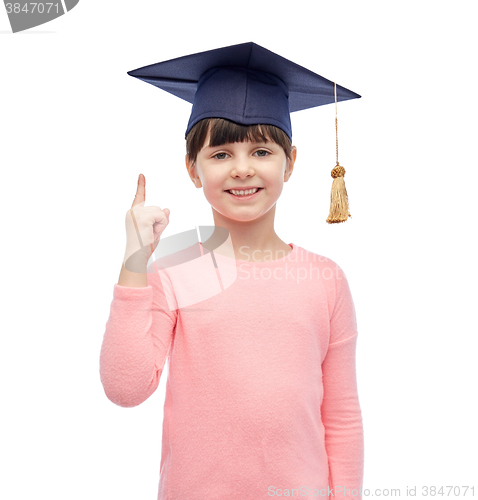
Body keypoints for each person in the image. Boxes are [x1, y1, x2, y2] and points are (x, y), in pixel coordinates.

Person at [100, 42, 364, 500]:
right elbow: (125, 388)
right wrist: (135, 264)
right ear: (193, 169)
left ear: (291, 162)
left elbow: (341, 416)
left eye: (261, 151)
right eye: (220, 154)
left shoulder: (324, 279)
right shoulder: (180, 266)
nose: (242, 169)